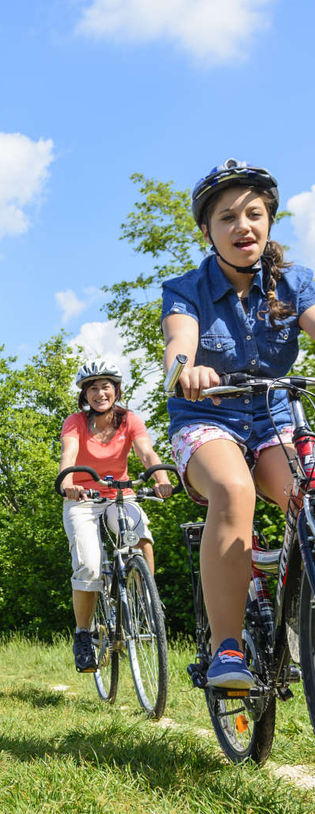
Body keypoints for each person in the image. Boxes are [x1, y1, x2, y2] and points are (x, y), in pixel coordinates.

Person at [162, 158, 315, 688]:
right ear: (208, 231)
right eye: (226, 218)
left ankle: (294, 613)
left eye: (253, 214)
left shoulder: (296, 282)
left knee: (307, 494)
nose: (242, 226)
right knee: (233, 490)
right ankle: (227, 648)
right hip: (206, 417)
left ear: (269, 221)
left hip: (272, 415)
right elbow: (178, 345)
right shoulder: (185, 288)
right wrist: (188, 370)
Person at [59, 361, 172, 673]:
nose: (100, 393)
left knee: (142, 537)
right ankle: (83, 635)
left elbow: (147, 453)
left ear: (116, 389)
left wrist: (160, 477)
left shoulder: (129, 420)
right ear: (84, 394)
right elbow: (68, 454)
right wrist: (68, 481)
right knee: (90, 566)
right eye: (92, 388)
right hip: (82, 498)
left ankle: (147, 598)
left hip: (120, 493)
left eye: (105, 386)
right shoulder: (75, 422)